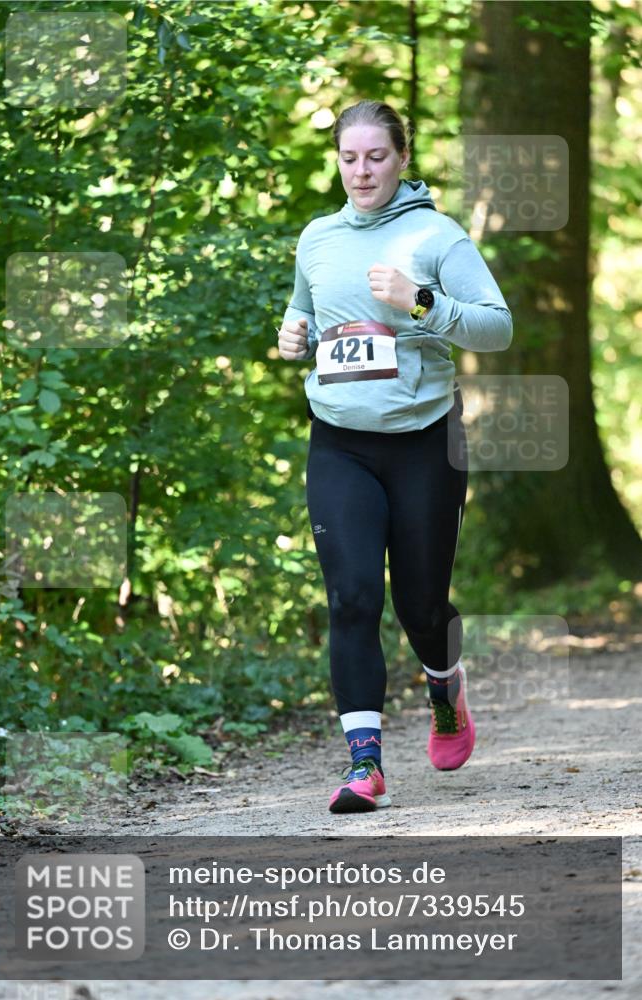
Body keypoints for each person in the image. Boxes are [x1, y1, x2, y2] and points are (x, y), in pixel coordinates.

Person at [277, 100, 512, 814]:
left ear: (401, 159)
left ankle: (445, 687)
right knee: (351, 596)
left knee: (418, 603)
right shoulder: (316, 237)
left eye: (375, 156)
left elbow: (495, 329)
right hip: (339, 443)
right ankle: (364, 766)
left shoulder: (436, 236)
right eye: (348, 158)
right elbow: (305, 317)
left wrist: (420, 303)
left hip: (422, 444)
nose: (361, 171)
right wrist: (294, 337)